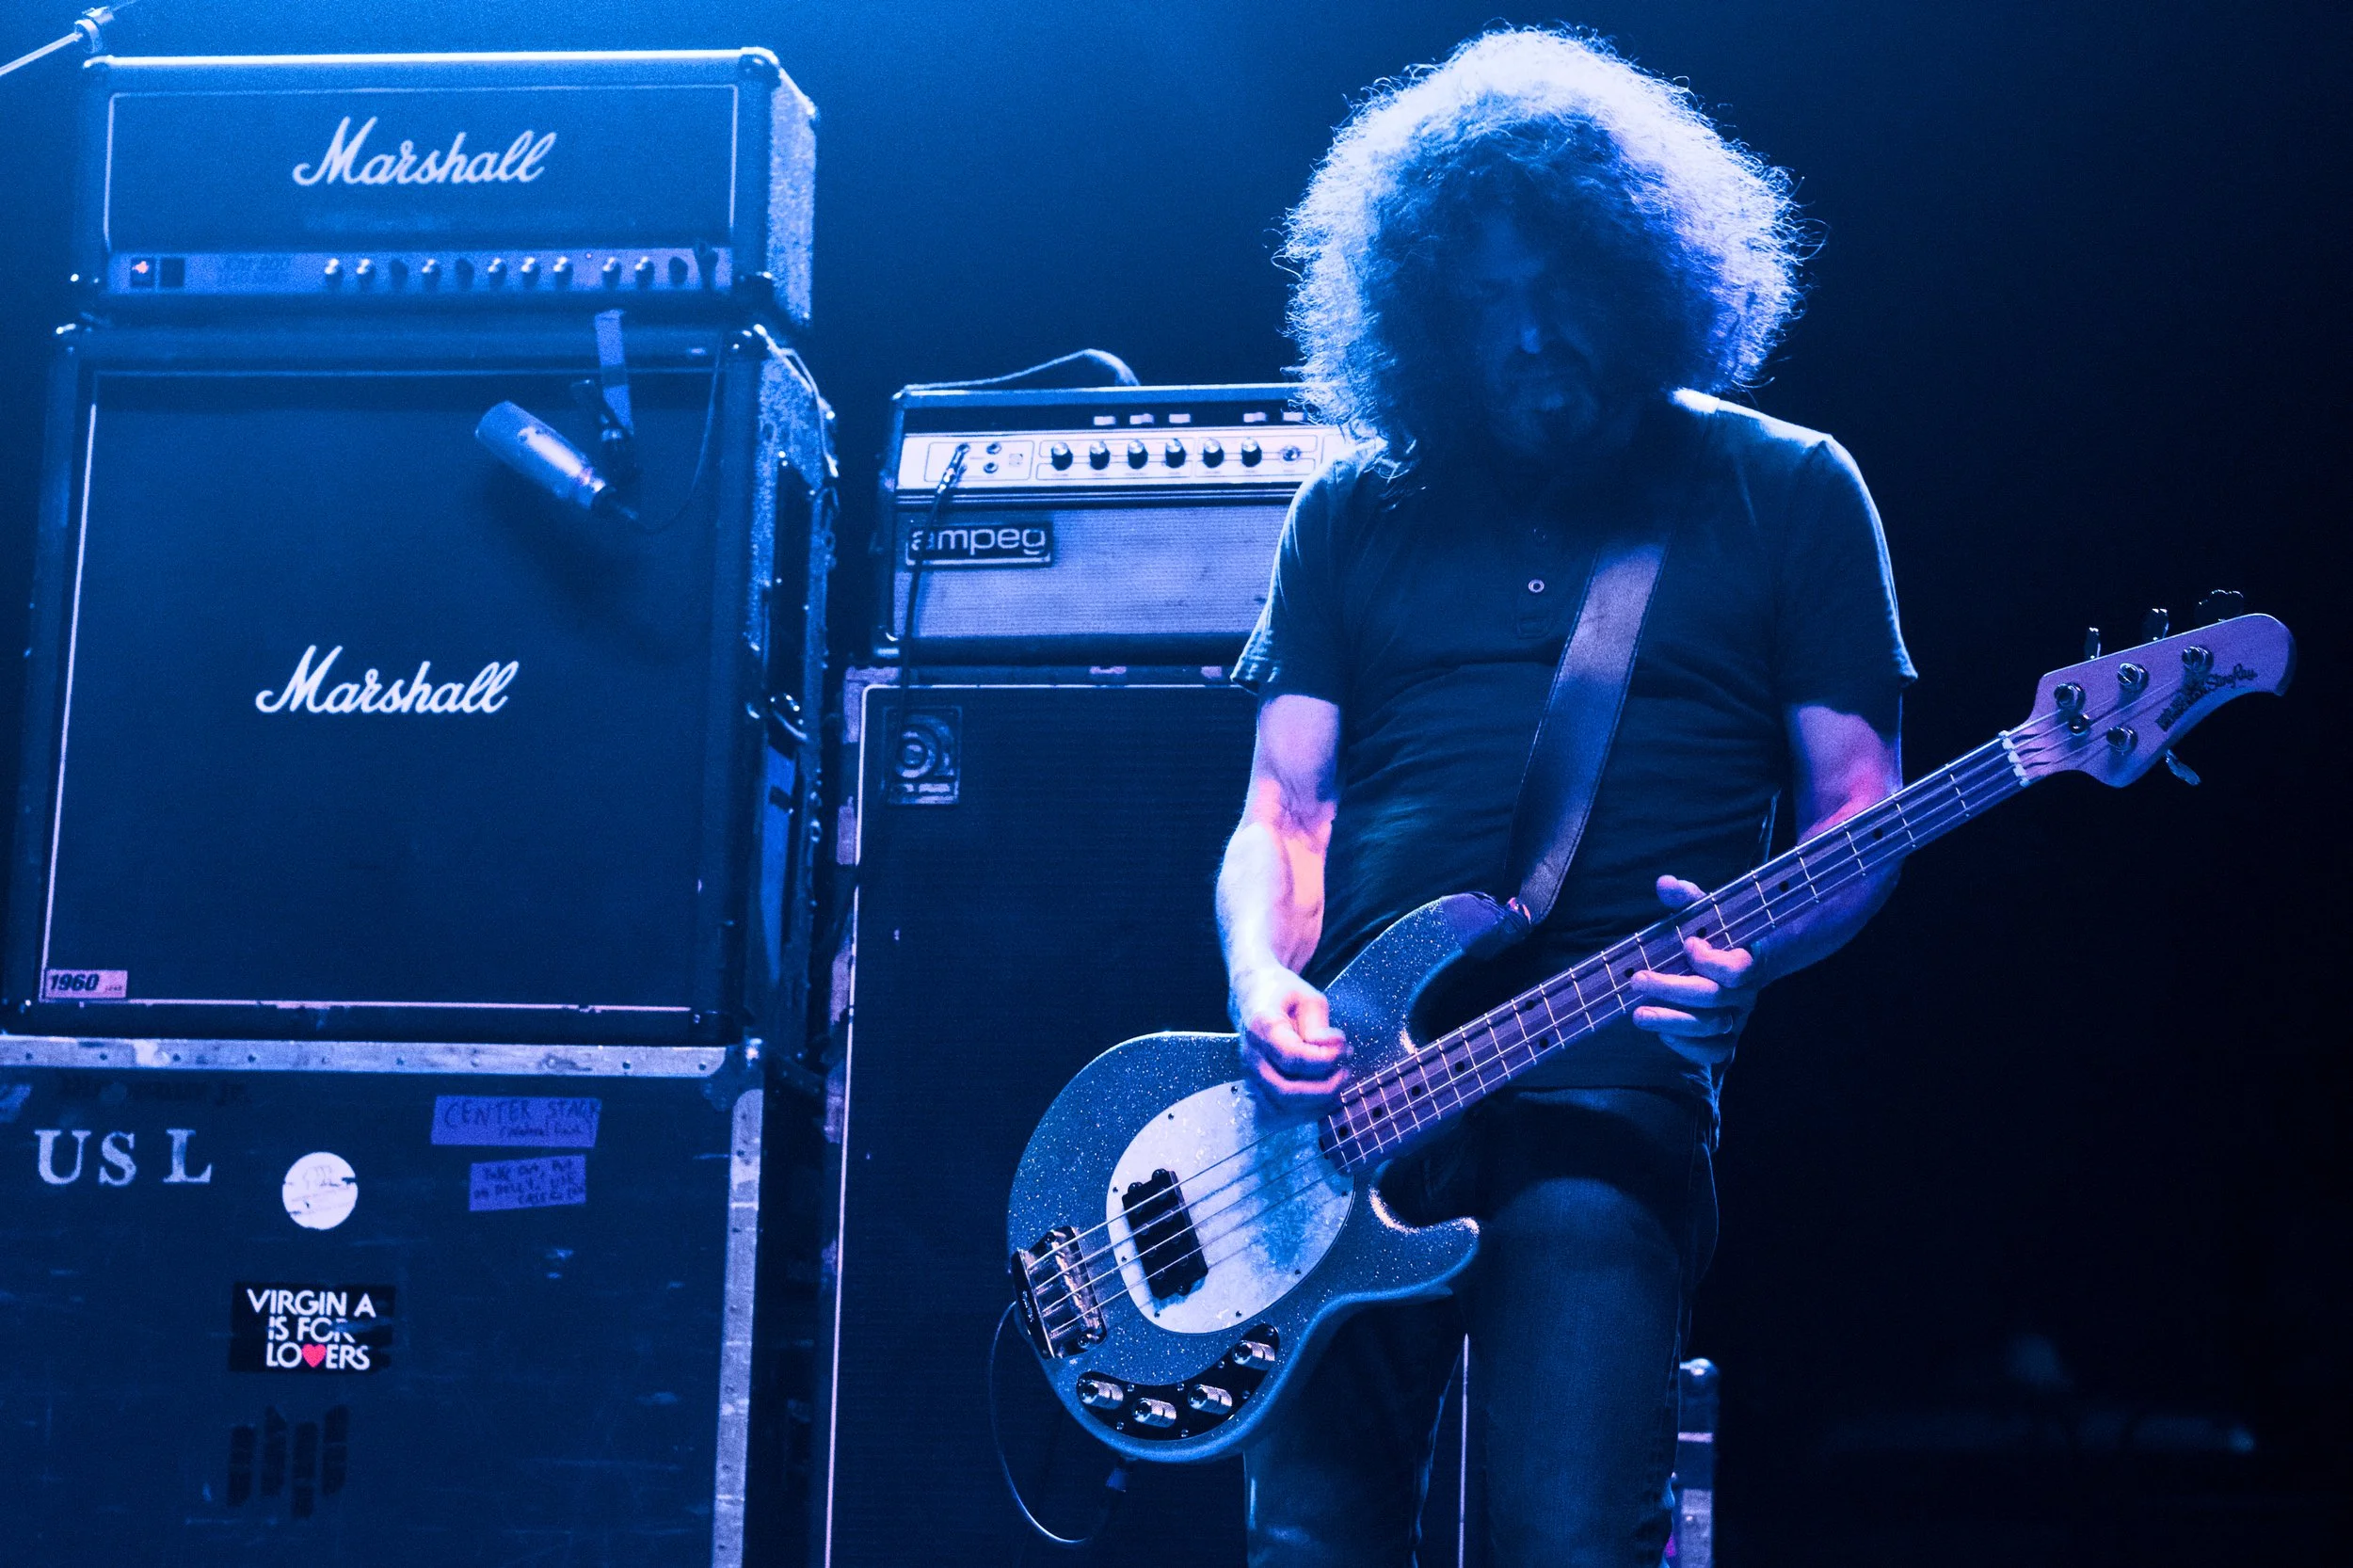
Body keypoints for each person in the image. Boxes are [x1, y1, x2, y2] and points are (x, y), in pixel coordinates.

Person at [1217, 27, 1915, 1567]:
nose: (1529, 334)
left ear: (1641, 269)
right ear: (1425, 316)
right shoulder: (1353, 508)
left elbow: (1859, 802)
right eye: (1484, 300)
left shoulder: (1786, 489)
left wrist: (1761, 957)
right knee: (1306, 1544)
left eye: (1563, 288)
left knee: (1563, 1539)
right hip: (1351, 1112)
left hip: (1599, 1088)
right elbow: (1287, 810)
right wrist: (1265, 978)